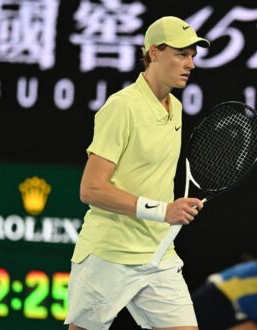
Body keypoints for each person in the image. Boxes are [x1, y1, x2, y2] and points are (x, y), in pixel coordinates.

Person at [64, 16, 210, 330]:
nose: (190, 64)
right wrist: (162, 211)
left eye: (193, 56)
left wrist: (172, 210)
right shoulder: (122, 107)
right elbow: (91, 189)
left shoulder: (176, 108)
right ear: (154, 52)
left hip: (158, 254)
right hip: (109, 254)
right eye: (181, 54)